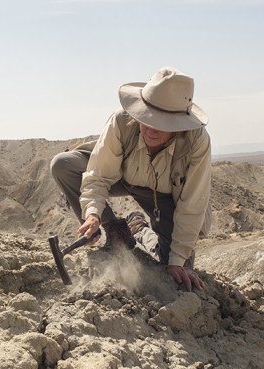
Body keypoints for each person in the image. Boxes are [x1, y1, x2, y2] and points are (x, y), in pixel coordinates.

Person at [50, 67, 212, 291]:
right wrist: (93, 214)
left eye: (162, 124)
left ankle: (139, 229)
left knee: (174, 274)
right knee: (63, 165)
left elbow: (192, 204)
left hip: (166, 197)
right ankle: (117, 232)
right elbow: (98, 175)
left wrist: (178, 261)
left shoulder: (197, 142)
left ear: (179, 127)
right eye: (147, 118)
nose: (150, 129)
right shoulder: (121, 121)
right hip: (122, 177)